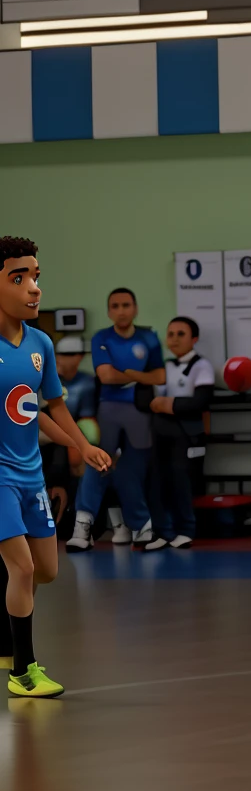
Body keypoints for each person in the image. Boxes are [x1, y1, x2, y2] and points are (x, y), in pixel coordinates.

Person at [0, 237, 112, 699]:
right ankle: (23, 670)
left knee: (45, 570)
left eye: (36, 277)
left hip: (32, 475)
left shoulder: (40, 343)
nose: (33, 289)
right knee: (22, 569)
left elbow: (46, 408)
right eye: (19, 278)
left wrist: (82, 446)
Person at [66, 288, 163, 551]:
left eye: (126, 305)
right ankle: (82, 529)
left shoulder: (149, 338)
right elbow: (106, 376)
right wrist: (139, 374)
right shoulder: (102, 337)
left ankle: (141, 527)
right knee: (98, 465)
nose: (121, 310)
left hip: (141, 413)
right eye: (115, 306)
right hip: (109, 410)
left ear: (135, 308)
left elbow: (160, 376)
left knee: (131, 470)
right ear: (109, 311)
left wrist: (129, 374)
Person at [142, 315, 214, 549]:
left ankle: (186, 530)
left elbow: (200, 401)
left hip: (186, 432)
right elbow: (150, 400)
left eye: (180, 334)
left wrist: (169, 404)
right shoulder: (163, 366)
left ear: (194, 339)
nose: (174, 339)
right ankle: (162, 531)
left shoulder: (202, 366)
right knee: (157, 481)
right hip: (160, 431)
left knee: (181, 481)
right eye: (170, 334)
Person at [45, 335, 98, 536]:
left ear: (80, 357)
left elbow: (87, 421)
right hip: (45, 436)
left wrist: (75, 444)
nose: (63, 359)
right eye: (60, 354)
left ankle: (72, 519)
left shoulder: (87, 383)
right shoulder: (47, 379)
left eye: (70, 355)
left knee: (77, 463)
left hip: (73, 437)